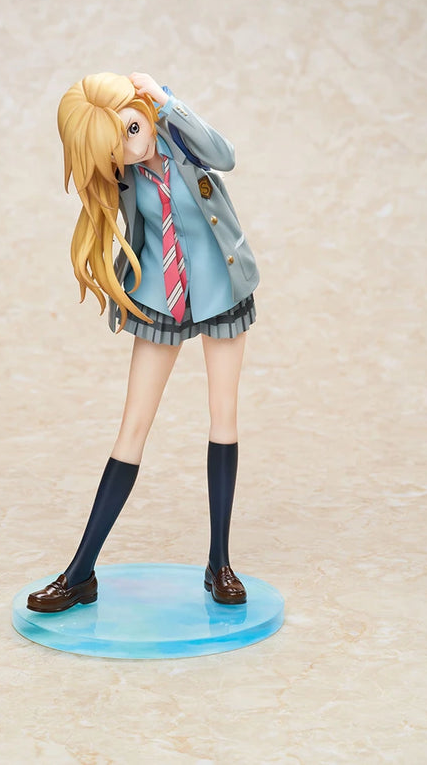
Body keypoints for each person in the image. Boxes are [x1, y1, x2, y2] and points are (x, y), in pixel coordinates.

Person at [26, 72, 260, 613]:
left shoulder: (180, 140)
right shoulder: (122, 177)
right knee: (131, 429)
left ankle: (219, 563)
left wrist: (167, 103)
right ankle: (79, 573)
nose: (133, 147)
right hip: (160, 298)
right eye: (117, 145)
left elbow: (226, 156)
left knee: (223, 417)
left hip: (220, 289)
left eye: (133, 128)